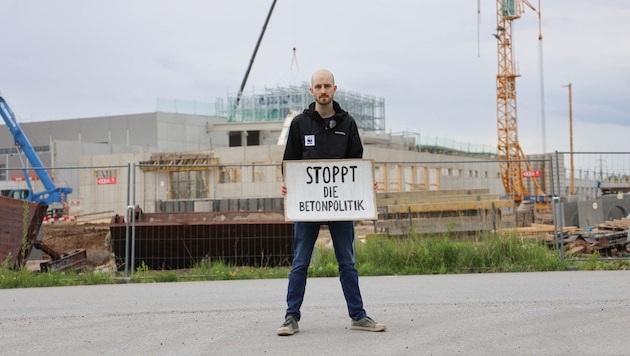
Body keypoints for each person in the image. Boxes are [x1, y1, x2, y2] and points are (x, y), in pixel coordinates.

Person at [277, 69, 386, 336]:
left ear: (335, 89)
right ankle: (291, 318)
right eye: (318, 86)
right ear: (311, 91)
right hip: (308, 205)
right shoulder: (300, 124)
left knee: (347, 262)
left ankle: (358, 316)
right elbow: (288, 162)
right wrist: (287, 183)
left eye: (327, 86)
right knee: (300, 262)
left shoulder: (347, 123)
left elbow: (356, 164)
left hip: (341, 205)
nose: (323, 90)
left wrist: (364, 184)